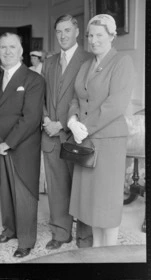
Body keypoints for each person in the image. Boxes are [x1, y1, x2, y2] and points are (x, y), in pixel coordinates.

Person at [67, 14, 135, 247]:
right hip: (85, 139)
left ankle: (111, 249)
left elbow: (115, 104)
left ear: (112, 36)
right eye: (90, 35)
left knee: (107, 199)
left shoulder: (121, 62)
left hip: (108, 141)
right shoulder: (86, 64)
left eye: (99, 35)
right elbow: (76, 97)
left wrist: (84, 128)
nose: (94, 40)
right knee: (91, 200)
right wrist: (72, 120)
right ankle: (97, 247)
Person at [0, 33, 45, 258]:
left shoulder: (34, 80)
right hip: (1, 145)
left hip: (22, 147)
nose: (7, 51)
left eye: (12, 47)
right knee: (6, 193)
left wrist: (7, 143)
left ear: (22, 51)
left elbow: (31, 118)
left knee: (24, 194)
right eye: (3, 47)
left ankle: (26, 240)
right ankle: (10, 230)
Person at [42, 14, 93, 250]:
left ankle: (85, 238)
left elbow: (89, 100)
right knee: (57, 188)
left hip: (76, 135)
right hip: (50, 136)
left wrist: (61, 123)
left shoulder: (89, 59)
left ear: (77, 32)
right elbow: (39, 96)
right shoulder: (49, 62)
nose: (62, 36)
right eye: (58, 31)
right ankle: (61, 234)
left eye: (67, 31)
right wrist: (46, 120)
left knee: (81, 190)